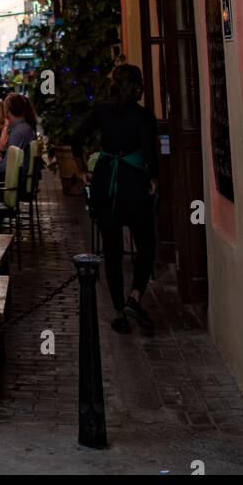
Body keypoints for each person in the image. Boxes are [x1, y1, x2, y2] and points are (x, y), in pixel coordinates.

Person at [71, 64, 158, 335]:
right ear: (138, 86)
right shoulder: (143, 115)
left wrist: (82, 169)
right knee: (146, 244)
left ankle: (119, 311)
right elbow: (148, 150)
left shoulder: (102, 111)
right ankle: (135, 296)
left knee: (112, 251)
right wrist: (153, 178)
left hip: (105, 184)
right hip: (133, 185)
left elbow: (76, 138)